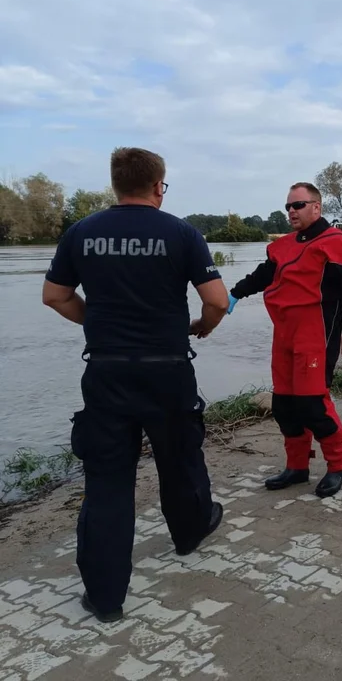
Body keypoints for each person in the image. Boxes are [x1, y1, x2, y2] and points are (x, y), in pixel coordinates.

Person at [42, 147, 230, 624]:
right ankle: (188, 535)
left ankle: (106, 599)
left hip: (107, 371)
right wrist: (202, 328)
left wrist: (95, 323)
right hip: (167, 369)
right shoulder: (182, 232)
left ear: (114, 185)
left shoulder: (82, 232)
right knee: (180, 458)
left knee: (107, 480)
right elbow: (217, 300)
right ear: (157, 186)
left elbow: (54, 296)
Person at [227, 182, 342, 498]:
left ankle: (338, 466)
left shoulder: (335, 242)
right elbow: (263, 276)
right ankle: (297, 467)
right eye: (288, 207)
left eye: (298, 205)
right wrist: (233, 294)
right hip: (285, 333)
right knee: (284, 405)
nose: (291, 211)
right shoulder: (283, 246)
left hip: (317, 333)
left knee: (312, 404)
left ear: (316, 207)